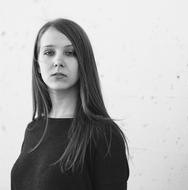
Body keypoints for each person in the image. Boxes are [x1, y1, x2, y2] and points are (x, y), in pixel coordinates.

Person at [10, 18, 129, 190]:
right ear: (37, 65)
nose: (58, 61)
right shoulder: (34, 129)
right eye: (49, 52)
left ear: (83, 63)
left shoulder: (103, 135)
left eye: (70, 52)